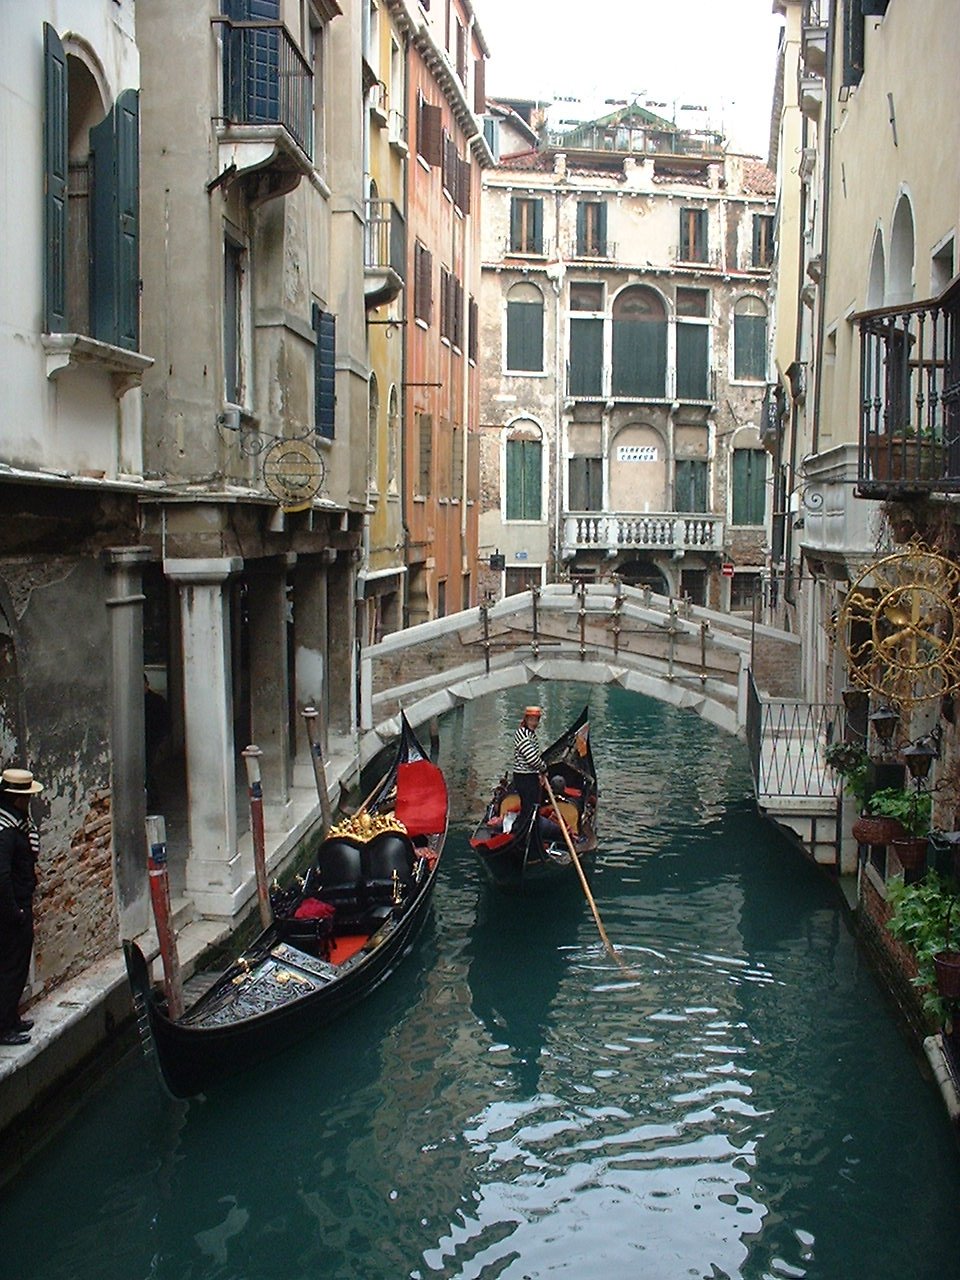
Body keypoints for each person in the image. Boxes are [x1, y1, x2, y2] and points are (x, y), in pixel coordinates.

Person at [0, 767, 43, 1046]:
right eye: (26, 797)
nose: (29, 801)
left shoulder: (16, 823)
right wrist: (15, 910)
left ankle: (11, 1018)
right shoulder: (6, 832)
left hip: (19, 905)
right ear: (17, 799)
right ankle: (4, 1027)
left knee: (16, 965)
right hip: (11, 911)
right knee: (11, 968)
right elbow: (1, 875)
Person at [512, 705, 546, 837]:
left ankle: (528, 834)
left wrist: (541, 771)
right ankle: (525, 835)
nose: (535, 723)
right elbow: (532, 759)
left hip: (530, 776)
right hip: (524, 777)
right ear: (526, 719)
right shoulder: (522, 734)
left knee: (531, 808)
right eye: (532, 719)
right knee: (529, 808)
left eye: (536, 720)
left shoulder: (530, 734)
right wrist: (544, 768)